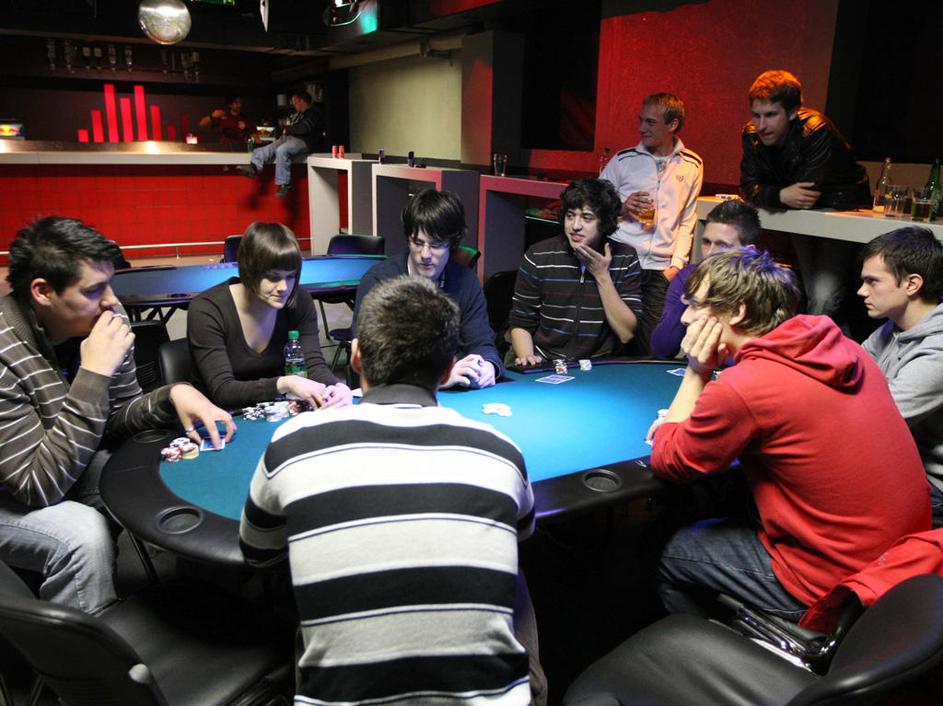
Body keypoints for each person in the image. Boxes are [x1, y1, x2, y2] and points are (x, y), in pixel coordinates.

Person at [239, 275, 539, 706]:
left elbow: (257, 553)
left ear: (356, 356)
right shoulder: (502, 451)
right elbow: (523, 533)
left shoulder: (291, 442)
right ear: (449, 368)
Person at [649, 247, 929, 621]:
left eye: (696, 305)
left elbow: (670, 462)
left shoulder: (745, 386)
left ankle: (730, 648)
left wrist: (696, 372)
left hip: (835, 584)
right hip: (903, 564)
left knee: (669, 549)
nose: (685, 318)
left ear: (737, 312)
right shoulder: (847, 349)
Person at [0, 217, 234, 613]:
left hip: (69, 463)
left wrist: (172, 395)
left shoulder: (106, 318)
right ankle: (87, 647)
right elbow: (36, 487)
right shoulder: (3, 351)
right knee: (82, 535)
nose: (111, 300)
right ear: (42, 292)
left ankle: (205, 604)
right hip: (13, 492)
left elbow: (118, 420)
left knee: (180, 465)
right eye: (93, 290)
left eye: (109, 284)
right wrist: (93, 376)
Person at [740, 69, 870, 316]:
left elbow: (804, 195)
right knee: (814, 295)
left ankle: (819, 340)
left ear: (792, 112)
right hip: (797, 214)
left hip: (839, 209)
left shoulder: (816, 129)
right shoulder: (751, 134)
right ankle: (830, 339)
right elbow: (748, 186)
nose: (761, 125)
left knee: (823, 297)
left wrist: (772, 193)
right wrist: (781, 195)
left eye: (771, 115)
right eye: (756, 115)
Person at [188, 222, 351, 411]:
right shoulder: (207, 310)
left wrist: (336, 386)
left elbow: (313, 365)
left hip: (276, 410)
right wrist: (285, 383)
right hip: (218, 416)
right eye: (273, 277)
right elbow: (222, 391)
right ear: (249, 271)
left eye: (290, 276)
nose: (284, 287)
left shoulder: (299, 301)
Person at [352, 188, 502, 388]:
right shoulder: (379, 282)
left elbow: (482, 343)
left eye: (436, 245)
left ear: (452, 244)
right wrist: (436, 378)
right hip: (395, 395)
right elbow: (368, 358)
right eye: (418, 243)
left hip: (457, 392)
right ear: (408, 240)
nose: (425, 254)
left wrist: (488, 366)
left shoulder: (466, 282)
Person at [600, 93, 703, 354]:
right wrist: (622, 207)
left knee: (651, 347)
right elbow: (595, 207)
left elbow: (687, 220)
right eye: (641, 120)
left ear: (672, 125)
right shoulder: (623, 160)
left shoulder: (692, 164)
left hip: (660, 270)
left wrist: (676, 265)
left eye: (650, 122)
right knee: (613, 342)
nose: (641, 128)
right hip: (621, 262)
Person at [857, 227, 943, 525]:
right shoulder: (892, 329)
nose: (862, 291)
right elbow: (844, 371)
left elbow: (876, 422)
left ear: (911, 284)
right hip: (895, 462)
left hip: (932, 487)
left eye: (872, 281)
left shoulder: (938, 350)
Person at [507, 178, 643, 366]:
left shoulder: (625, 258)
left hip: (597, 366)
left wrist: (602, 275)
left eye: (587, 218)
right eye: (570, 216)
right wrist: (528, 360)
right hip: (543, 360)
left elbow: (626, 333)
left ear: (604, 222)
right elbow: (521, 322)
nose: (575, 226)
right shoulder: (539, 255)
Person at [651, 199, 761, 358]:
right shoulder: (688, 276)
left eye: (723, 245)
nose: (710, 253)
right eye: (706, 242)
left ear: (748, 252)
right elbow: (662, 349)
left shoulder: (762, 286)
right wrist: (693, 295)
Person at [236, 90, 323, 198]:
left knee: (282, 150)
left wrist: (288, 129)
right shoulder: (299, 114)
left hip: (305, 141)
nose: (294, 105)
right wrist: (288, 130)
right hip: (290, 138)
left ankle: (284, 184)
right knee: (267, 149)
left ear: (300, 101)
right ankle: (253, 167)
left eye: (295, 102)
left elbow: (304, 129)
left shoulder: (314, 112)